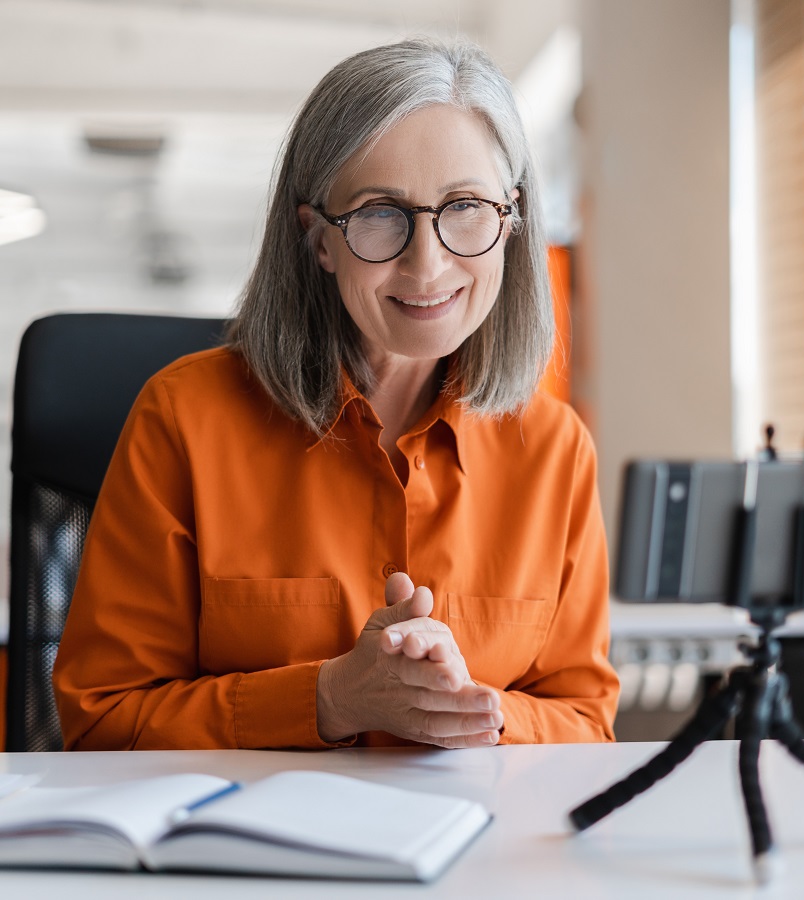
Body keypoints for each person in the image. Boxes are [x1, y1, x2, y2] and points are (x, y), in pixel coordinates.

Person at [53, 37, 619, 751]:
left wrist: (475, 714)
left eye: (466, 206)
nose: (428, 262)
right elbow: (101, 722)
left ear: (511, 222)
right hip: (251, 854)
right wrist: (328, 700)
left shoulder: (554, 448)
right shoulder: (184, 420)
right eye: (380, 212)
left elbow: (586, 722)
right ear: (318, 238)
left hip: (478, 851)